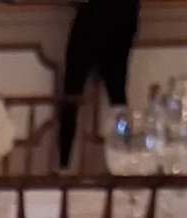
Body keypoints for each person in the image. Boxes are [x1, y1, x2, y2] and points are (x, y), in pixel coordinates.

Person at [57, 0, 141, 166]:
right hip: (124, 14)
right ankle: (125, 159)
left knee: (72, 93)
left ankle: (64, 165)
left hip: (94, 14)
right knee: (117, 94)